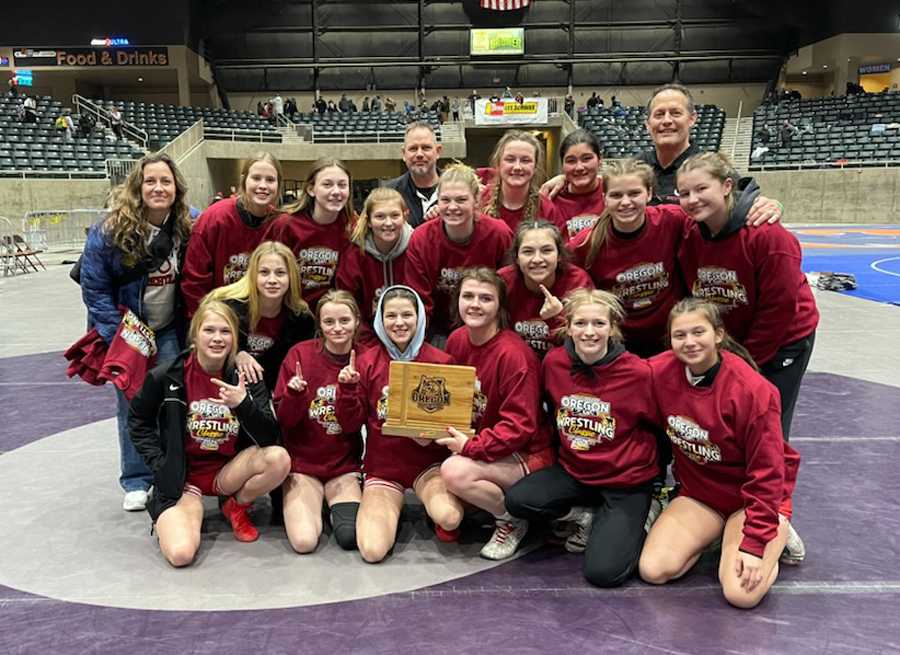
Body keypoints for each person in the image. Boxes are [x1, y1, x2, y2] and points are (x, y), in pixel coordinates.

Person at [676, 152, 817, 563]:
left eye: (701, 189)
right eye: (684, 192)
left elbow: (778, 311)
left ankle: (776, 516)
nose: (692, 199)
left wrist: (743, 366)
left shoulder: (768, 236)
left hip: (781, 343)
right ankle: (724, 507)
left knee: (769, 431)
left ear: (727, 186)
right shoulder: (692, 232)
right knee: (723, 427)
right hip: (729, 340)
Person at [640, 299, 801, 608]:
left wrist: (755, 545)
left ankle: (774, 530)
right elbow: (613, 374)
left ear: (718, 334)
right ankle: (719, 534)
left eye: (698, 332)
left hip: (751, 500)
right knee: (653, 570)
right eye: (680, 335)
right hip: (702, 495)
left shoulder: (752, 391)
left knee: (741, 594)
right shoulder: (659, 372)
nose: (689, 342)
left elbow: (768, 473)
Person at [505, 289, 658, 585]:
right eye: (580, 323)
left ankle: (645, 511)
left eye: (599, 323)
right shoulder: (554, 363)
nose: (589, 332)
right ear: (568, 327)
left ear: (612, 328)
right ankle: (585, 516)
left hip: (625, 482)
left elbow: (660, 428)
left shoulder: (640, 373)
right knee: (518, 500)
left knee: (604, 574)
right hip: (576, 473)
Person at [128, 300, 290, 566]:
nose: (217, 338)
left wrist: (243, 404)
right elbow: (138, 420)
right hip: (183, 479)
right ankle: (175, 515)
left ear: (235, 338)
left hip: (227, 473)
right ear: (195, 335)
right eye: (209, 330)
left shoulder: (247, 377)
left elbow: (269, 437)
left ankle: (236, 505)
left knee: (278, 458)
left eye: (225, 331)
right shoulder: (167, 376)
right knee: (181, 554)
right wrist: (160, 464)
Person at [80, 153, 192, 511]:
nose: (158, 188)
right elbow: (94, 287)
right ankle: (136, 479)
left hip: (169, 329)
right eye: (150, 181)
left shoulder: (187, 224)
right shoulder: (110, 230)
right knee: (132, 404)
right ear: (137, 187)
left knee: (173, 402)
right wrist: (120, 338)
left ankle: (171, 471)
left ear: (176, 188)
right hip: (129, 333)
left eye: (165, 181)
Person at [336, 286, 464, 562]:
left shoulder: (442, 361)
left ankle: (434, 513)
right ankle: (392, 509)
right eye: (391, 316)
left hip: (429, 466)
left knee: (450, 517)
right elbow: (350, 425)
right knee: (372, 551)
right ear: (380, 320)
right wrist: (346, 390)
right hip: (384, 469)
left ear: (420, 318)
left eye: (407, 315)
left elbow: (455, 423)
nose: (399, 322)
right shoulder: (366, 362)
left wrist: (431, 434)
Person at [437, 268, 554, 559]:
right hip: (487, 446)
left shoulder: (514, 354)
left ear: (500, 306)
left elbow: (520, 426)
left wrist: (470, 447)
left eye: (486, 298)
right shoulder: (457, 340)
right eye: (468, 296)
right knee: (446, 511)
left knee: (453, 473)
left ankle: (511, 520)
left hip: (529, 452)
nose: (475, 304)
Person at [274, 290, 365, 553]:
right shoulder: (299, 355)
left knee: (349, 537)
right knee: (304, 542)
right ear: (320, 324)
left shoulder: (366, 359)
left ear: (357, 321)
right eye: (329, 322)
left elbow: (352, 425)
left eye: (344, 320)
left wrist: (348, 390)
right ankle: (311, 503)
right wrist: (295, 395)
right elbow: (285, 421)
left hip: (343, 467)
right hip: (303, 466)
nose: (337, 328)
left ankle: (329, 505)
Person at [405, 164, 513, 341]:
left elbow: (509, 289)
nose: (452, 207)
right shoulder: (422, 239)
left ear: (476, 200)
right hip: (438, 329)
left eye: (461, 200)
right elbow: (419, 300)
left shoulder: (498, 234)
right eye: (445, 200)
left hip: (489, 326)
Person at [181, 152, 284, 317]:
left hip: (261, 320)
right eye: (256, 178)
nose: (263, 185)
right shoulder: (214, 217)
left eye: (270, 180)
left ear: (278, 185)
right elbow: (194, 279)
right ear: (244, 180)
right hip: (217, 319)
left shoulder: (280, 224)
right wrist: (204, 320)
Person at [206, 241, 315, 393]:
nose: (272, 280)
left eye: (280, 273)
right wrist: (236, 353)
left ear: (292, 276)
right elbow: (202, 348)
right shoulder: (227, 308)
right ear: (253, 275)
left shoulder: (302, 320)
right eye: (264, 272)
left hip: (272, 391)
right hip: (222, 387)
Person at [264, 158, 356, 310]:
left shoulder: (352, 227)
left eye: (342, 185)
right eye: (327, 184)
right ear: (311, 189)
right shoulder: (285, 224)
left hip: (332, 315)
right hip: (290, 313)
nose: (336, 191)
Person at [497, 220, 592, 357]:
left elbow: (589, 339)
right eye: (528, 251)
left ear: (559, 255)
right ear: (517, 257)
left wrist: (559, 316)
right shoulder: (503, 282)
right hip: (516, 359)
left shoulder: (577, 282)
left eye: (546, 250)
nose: (537, 259)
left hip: (564, 360)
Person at [336, 187, 412, 348]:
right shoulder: (354, 254)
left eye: (395, 215)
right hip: (366, 341)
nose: (388, 223)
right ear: (369, 221)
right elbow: (348, 305)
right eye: (380, 216)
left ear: (405, 216)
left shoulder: (415, 248)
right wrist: (369, 346)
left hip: (411, 337)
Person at [480, 130, 553, 232]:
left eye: (525, 160)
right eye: (510, 160)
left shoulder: (546, 209)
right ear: (498, 164)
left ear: (535, 167)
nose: (517, 167)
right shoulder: (479, 200)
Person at [542, 129, 605, 239]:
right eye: (571, 161)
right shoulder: (551, 198)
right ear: (562, 165)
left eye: (586, 159)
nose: (579, 167)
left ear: (600, 160)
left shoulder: (613, 193)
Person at [382, 121, 443, 228]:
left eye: (426, 148)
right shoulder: (389, 193)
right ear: (404, 154)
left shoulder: (458, 188)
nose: (419, 154)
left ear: (438, 151)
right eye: (413, 149)